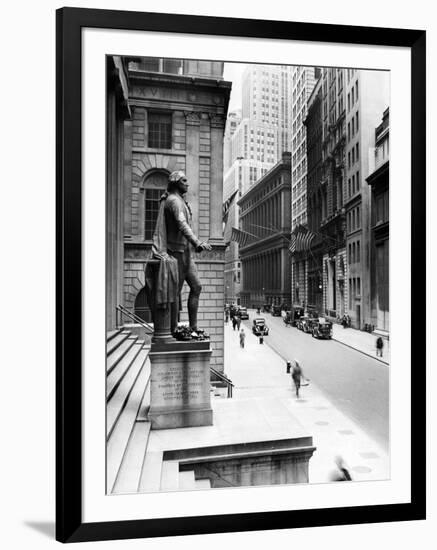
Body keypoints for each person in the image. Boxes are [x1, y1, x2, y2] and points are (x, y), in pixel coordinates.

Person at [150, 170, 211, 334]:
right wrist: (197, 242)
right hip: (176, 253)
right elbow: (182, 224)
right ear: (176, 182)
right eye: (184, 180)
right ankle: (174, 328)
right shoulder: (174, 201)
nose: (187, 183)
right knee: (174, 293)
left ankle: (193, 327)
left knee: (196, 286)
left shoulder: (180, 201)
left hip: (186, 253)